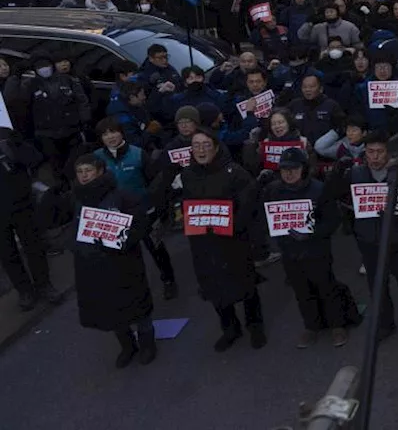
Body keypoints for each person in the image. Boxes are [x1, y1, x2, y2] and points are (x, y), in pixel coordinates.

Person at [180, 128, 267, 352]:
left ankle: (255, 325)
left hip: (233, 240)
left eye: (206, 145)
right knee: (214, 287)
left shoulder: (235, 173)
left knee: (245, 284)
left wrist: (237, 226)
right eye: (196, 146)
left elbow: (250, 206)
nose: (201, 150)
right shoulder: (187, 174)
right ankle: (230, 329)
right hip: (203, 243)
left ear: (216, 147)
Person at [263, 148, 357, 349]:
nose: (289, 173)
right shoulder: (273, 190)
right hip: (289, 251)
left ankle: (337, 325)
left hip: (316, 250)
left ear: (303, 169)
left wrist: (312, 233)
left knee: (327, 288)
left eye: (293, 168)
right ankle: (311, 326)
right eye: (284, 169)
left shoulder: (319, 189)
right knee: (301, 290)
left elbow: (333, 220)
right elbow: (266, 217)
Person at [335, 129, 398, 341]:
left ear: (388, 153)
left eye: (379, 152)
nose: (375, 157)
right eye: (370, 152)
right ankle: (385, 324)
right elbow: (341, 198)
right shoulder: (355, 174)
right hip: (370, 241)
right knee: (377, 287)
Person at [69, 154, 156, 367]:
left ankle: (147, 343)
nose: (84, 176)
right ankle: (127, 345)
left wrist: (121, 241)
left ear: (100, 171)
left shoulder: (122, 196)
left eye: (88, 171)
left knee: (136, 304)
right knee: (108, 308)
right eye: (80, 172)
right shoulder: (75, 199)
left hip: (123, 262)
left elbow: (140, 224)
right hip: (92, 265)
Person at [93, 118, 178, 299]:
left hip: (143, 211)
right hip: (115, 216)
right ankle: (134, 289)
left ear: (121, 132)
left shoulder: (138, 154)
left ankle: (169, 279)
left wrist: (157, 208)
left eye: (113, 132)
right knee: (124, 256)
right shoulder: (96, 158)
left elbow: (154, 182)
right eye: (105, 134)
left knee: (156, 248)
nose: (110, 137)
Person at [0, 128, 56, 311]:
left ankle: (44, 285)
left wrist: (15, 146)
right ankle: (25, 291)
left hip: (21, 203)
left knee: (34, 246)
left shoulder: (5, 135)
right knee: (8, 254)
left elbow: (35, 158)